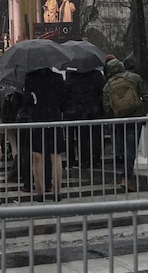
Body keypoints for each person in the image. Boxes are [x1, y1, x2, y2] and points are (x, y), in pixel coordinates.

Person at [102, 57, 148, 190]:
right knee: (131, 147)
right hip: (135, 119)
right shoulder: (135, 78)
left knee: (124, 147)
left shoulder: (108, 85)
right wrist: (143, 112)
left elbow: (106, 107)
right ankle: (127, 177)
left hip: (119, 120)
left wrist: (114, 116)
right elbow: (146, 96)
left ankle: (125, 175)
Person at [26, 66, 66, 202]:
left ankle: (40, 192)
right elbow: (63, 99)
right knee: (56, 156)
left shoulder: (30, 78)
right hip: (54, 118)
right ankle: (57, 191)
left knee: (37, 156)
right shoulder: (58, 78)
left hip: (38, 118)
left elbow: (27, 100)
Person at [61, 61, 105, 171]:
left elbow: (65, 92)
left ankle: (83, 160)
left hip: (78, 110)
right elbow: (103, 90)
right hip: (94, 109)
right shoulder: (97, 75)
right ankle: (95, 159)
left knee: (82, 136)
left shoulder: (72, 76)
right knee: (95, 135)